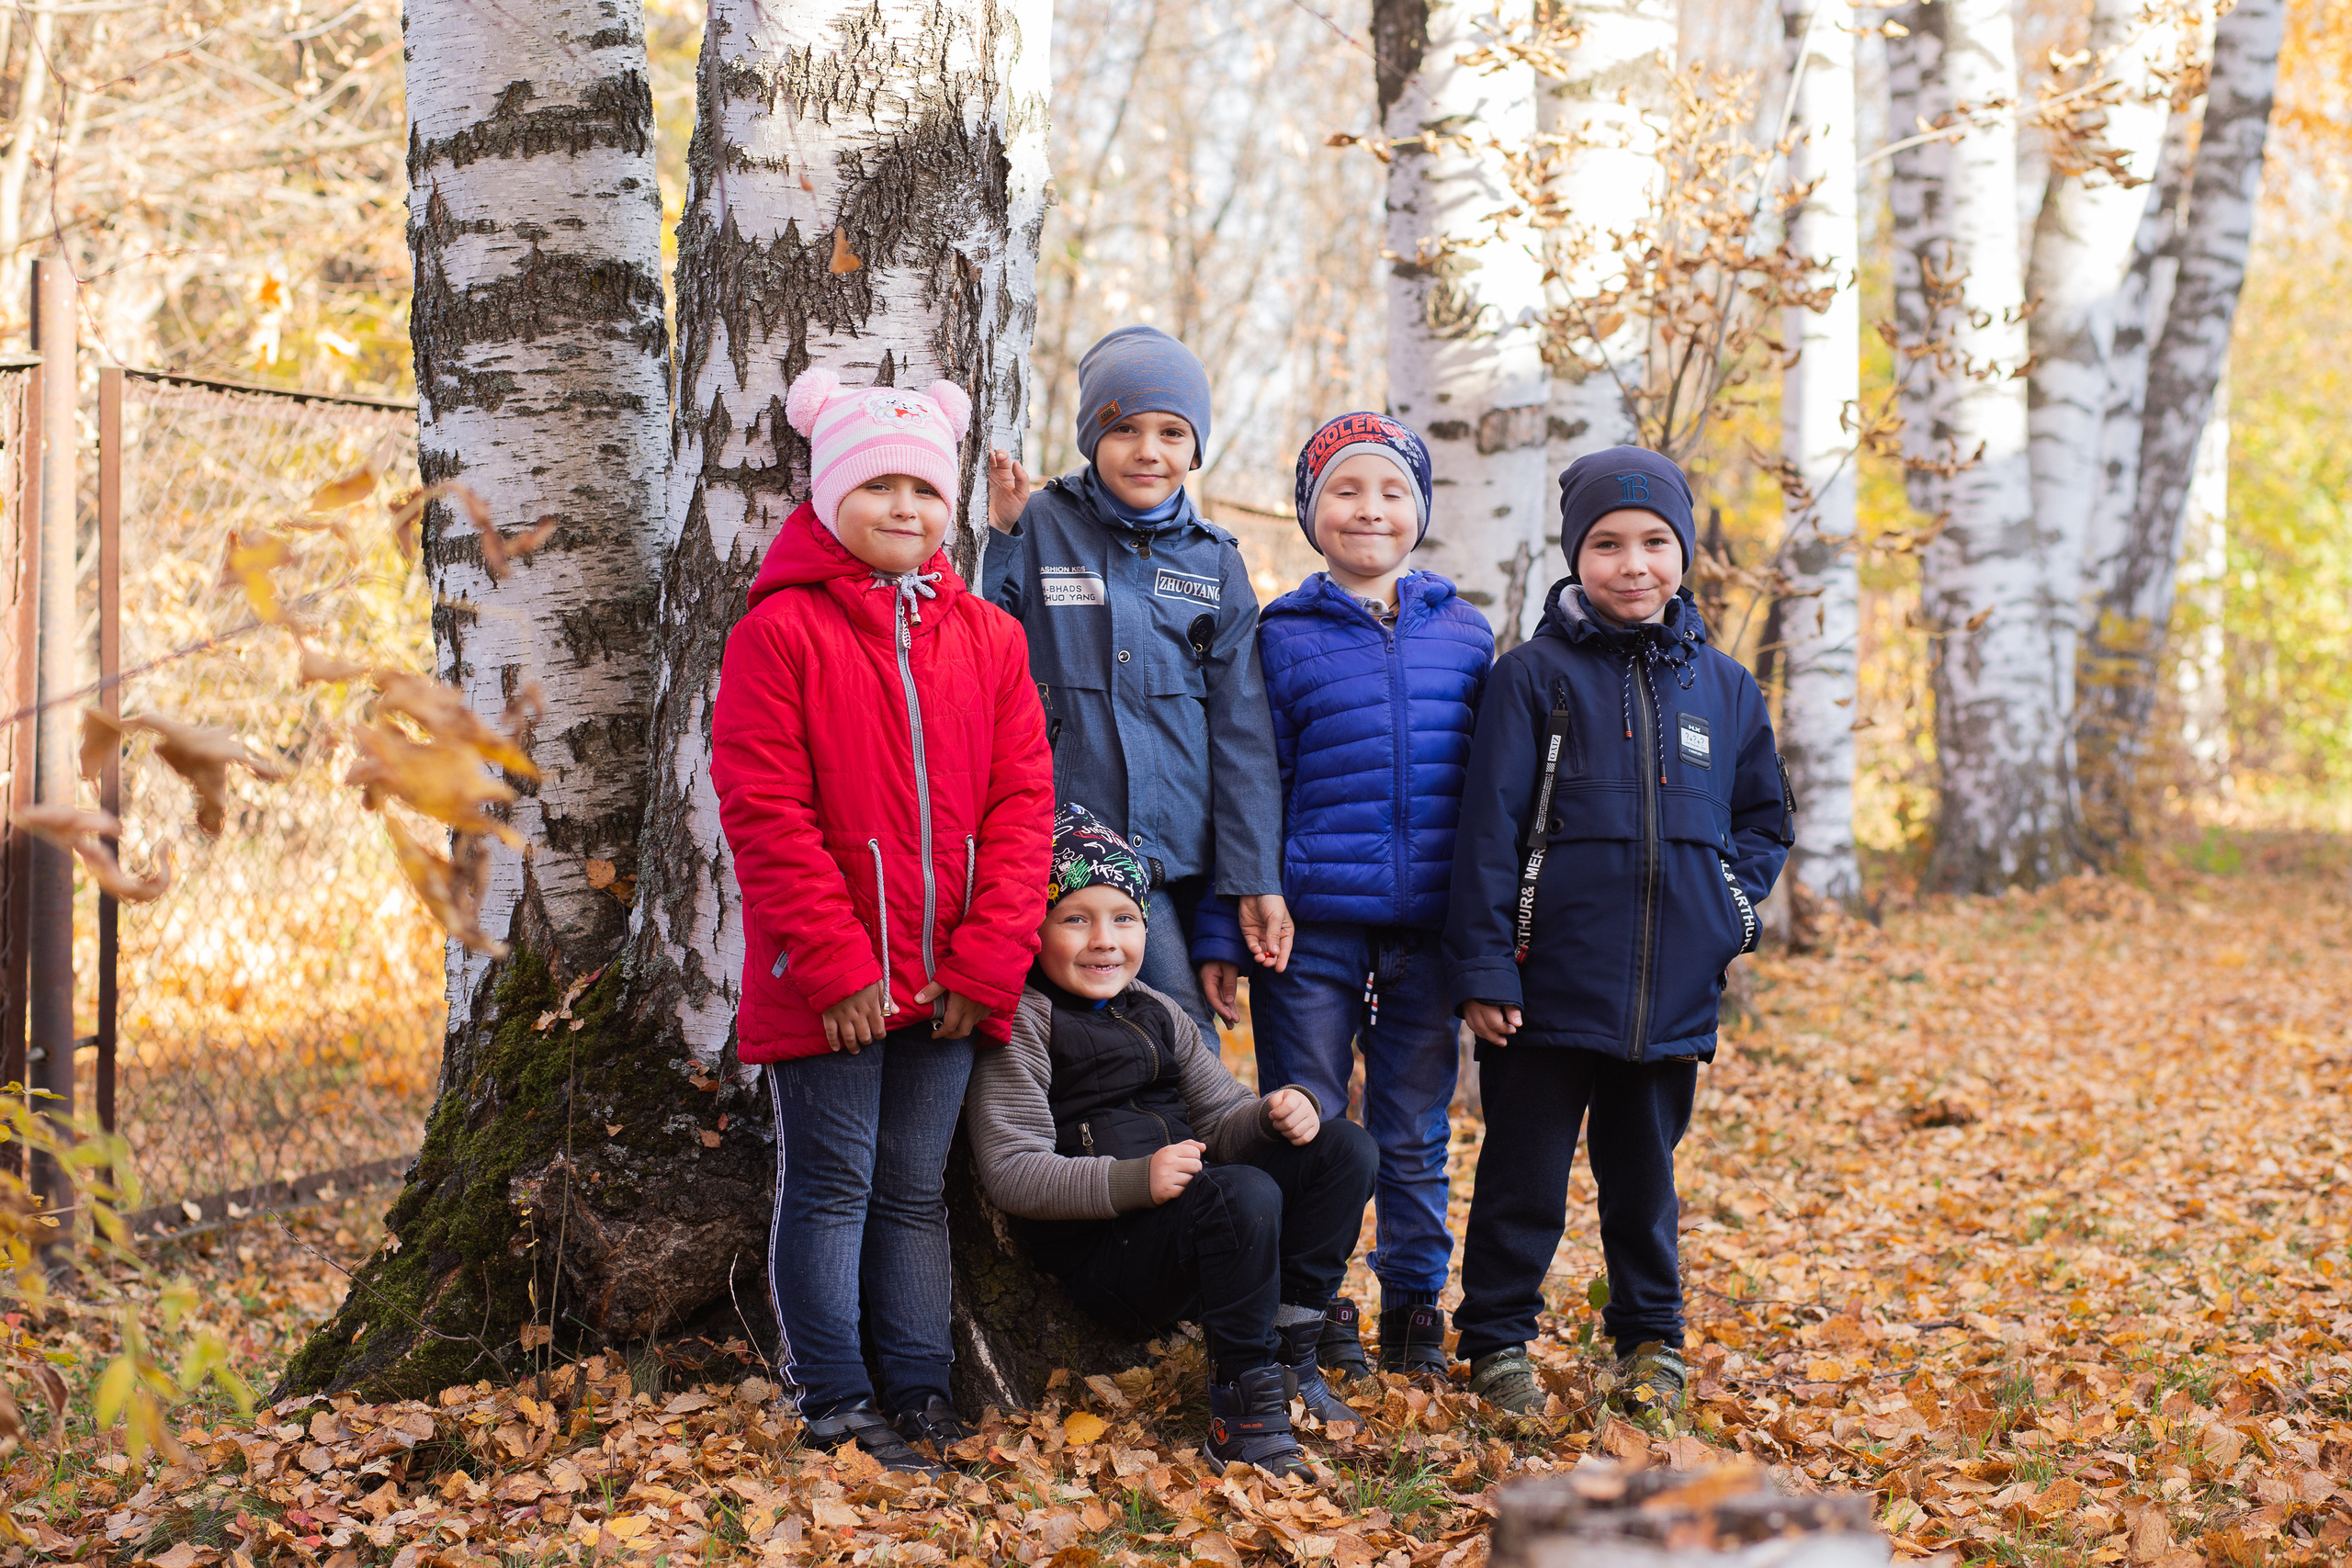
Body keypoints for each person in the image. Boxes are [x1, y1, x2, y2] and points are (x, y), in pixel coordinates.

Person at [711, 369, 1055, 1472]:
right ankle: (834, 1399)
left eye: (924, 488)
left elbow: (1022, 807)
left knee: (915, 1190)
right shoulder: (780, 633)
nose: (903, 506)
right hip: (830, 983)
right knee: (832, 1186)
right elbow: (764, 809)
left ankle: (919, 1390)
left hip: (951, 980)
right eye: (877, 485)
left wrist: (988, 961)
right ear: (828, 495)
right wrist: (834, 963)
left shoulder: (990, 639)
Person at [1442, 447, 1793, 1421]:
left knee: (1645, 1185)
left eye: (1652, 543)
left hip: (1670, 994)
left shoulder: (1724, 688)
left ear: (1683, 553)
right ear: (1575, 556)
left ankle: (1651, 1342)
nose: (1631, 564)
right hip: (1542, 989)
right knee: (1522, 1181)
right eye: (1605, 544)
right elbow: (1487, 832)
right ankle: (1497, 1342)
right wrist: (1484, 966)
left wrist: (1728, 912)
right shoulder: (1531, 679)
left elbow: (1764, 820)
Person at [1189, 412, 1492, 1382]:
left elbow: (1493, 798)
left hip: (1428, 935)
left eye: (1392, 491)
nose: (1370, 509)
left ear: (1420, 509)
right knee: (1306, 1117)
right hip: (1306, 930)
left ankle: (1414, 1308)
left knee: (1413, 1131)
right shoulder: (1279, 636)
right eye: (1345, 491)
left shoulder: (1466, 633)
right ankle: (1309, 1310)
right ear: (1311, 513)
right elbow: (1248, 785)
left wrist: (1490, 938)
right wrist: (1223, 927)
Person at [965, 803, 1378, 1479]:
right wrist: (1135, 1179)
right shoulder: (1023, 1020)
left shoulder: (1156, 1008)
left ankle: (1289, 1353)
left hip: (1198, 1226)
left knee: (1344, 1149)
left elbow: (1223, 1117)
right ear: (1033, 928)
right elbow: (1012, 1168)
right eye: (1076, 918)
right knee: (1241, 1193)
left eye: (1124, 918)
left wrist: (1277, 1113)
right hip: (1109, 1257)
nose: (1105, 940)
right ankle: (1242, 1413)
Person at [982, 326, 1291, 1036]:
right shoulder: (1041, 523)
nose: (1148, 450)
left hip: (1165, 868)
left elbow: (1242, 731)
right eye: (1124, 428)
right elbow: (979, 640)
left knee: (1182, 1038)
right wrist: (1000, 536)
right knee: (1042, 1040)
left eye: (1172, 432)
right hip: (1052, 854)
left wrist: (1251, 878)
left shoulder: (1215, 562)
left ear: (1196, 447)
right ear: (1092, 434)